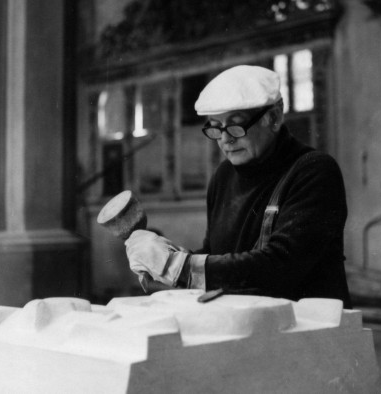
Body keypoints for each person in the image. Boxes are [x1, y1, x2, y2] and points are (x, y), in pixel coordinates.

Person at [125, 65, 351, 308]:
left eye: (236, 126)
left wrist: (181, 267)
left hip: (311, 327)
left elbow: (281, 265)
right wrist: (165, 260)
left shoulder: (314, 171)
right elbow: (216, 253)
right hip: (246, 321)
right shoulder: (223, 177)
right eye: (215, 127)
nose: (225, 139)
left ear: (273, 118)